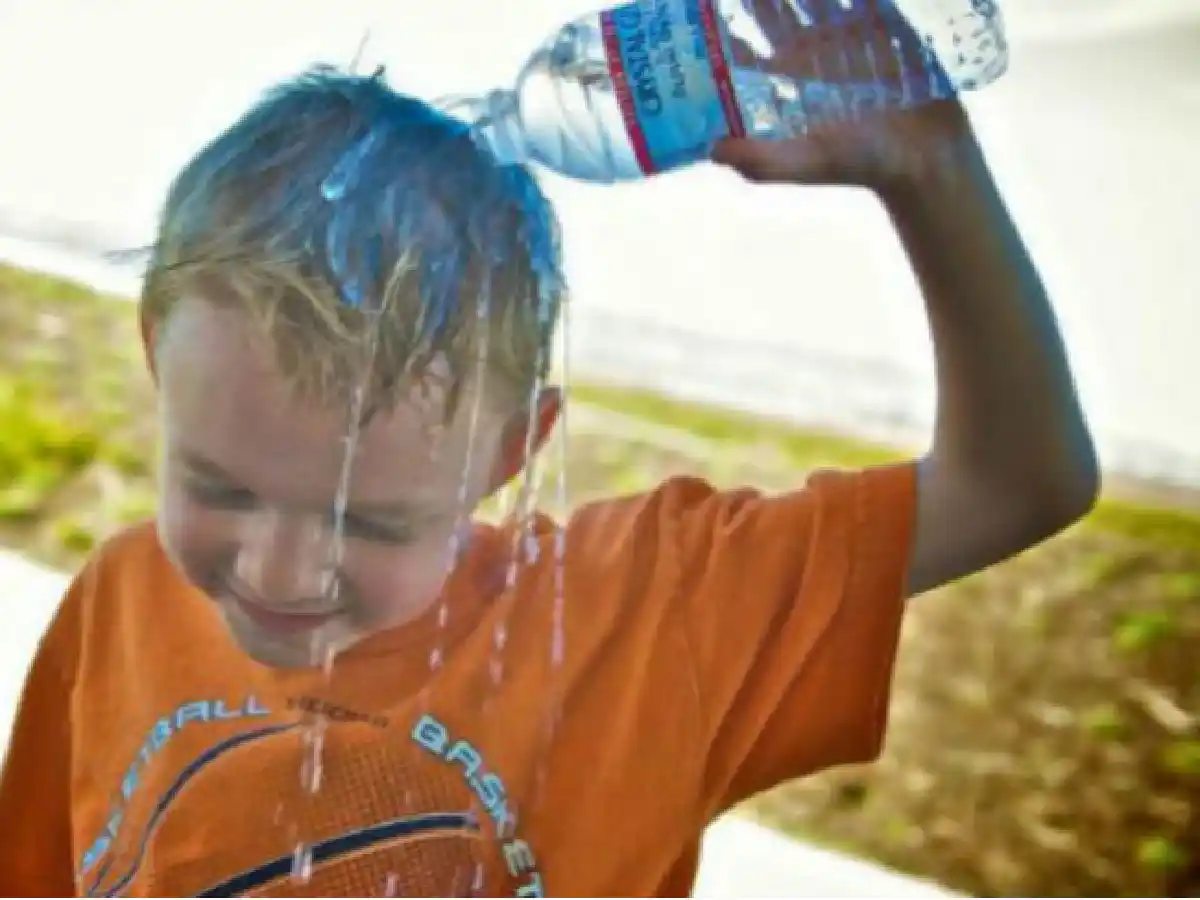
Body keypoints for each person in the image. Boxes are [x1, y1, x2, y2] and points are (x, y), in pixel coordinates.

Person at [0, 13, 1098, 897]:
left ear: (513, 449)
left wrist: (930, 172)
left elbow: (1019, 483)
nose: (280, 573)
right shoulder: (118, 601)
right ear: (156, 354)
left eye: (369, 520)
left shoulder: (641, 624)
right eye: (221, 488)